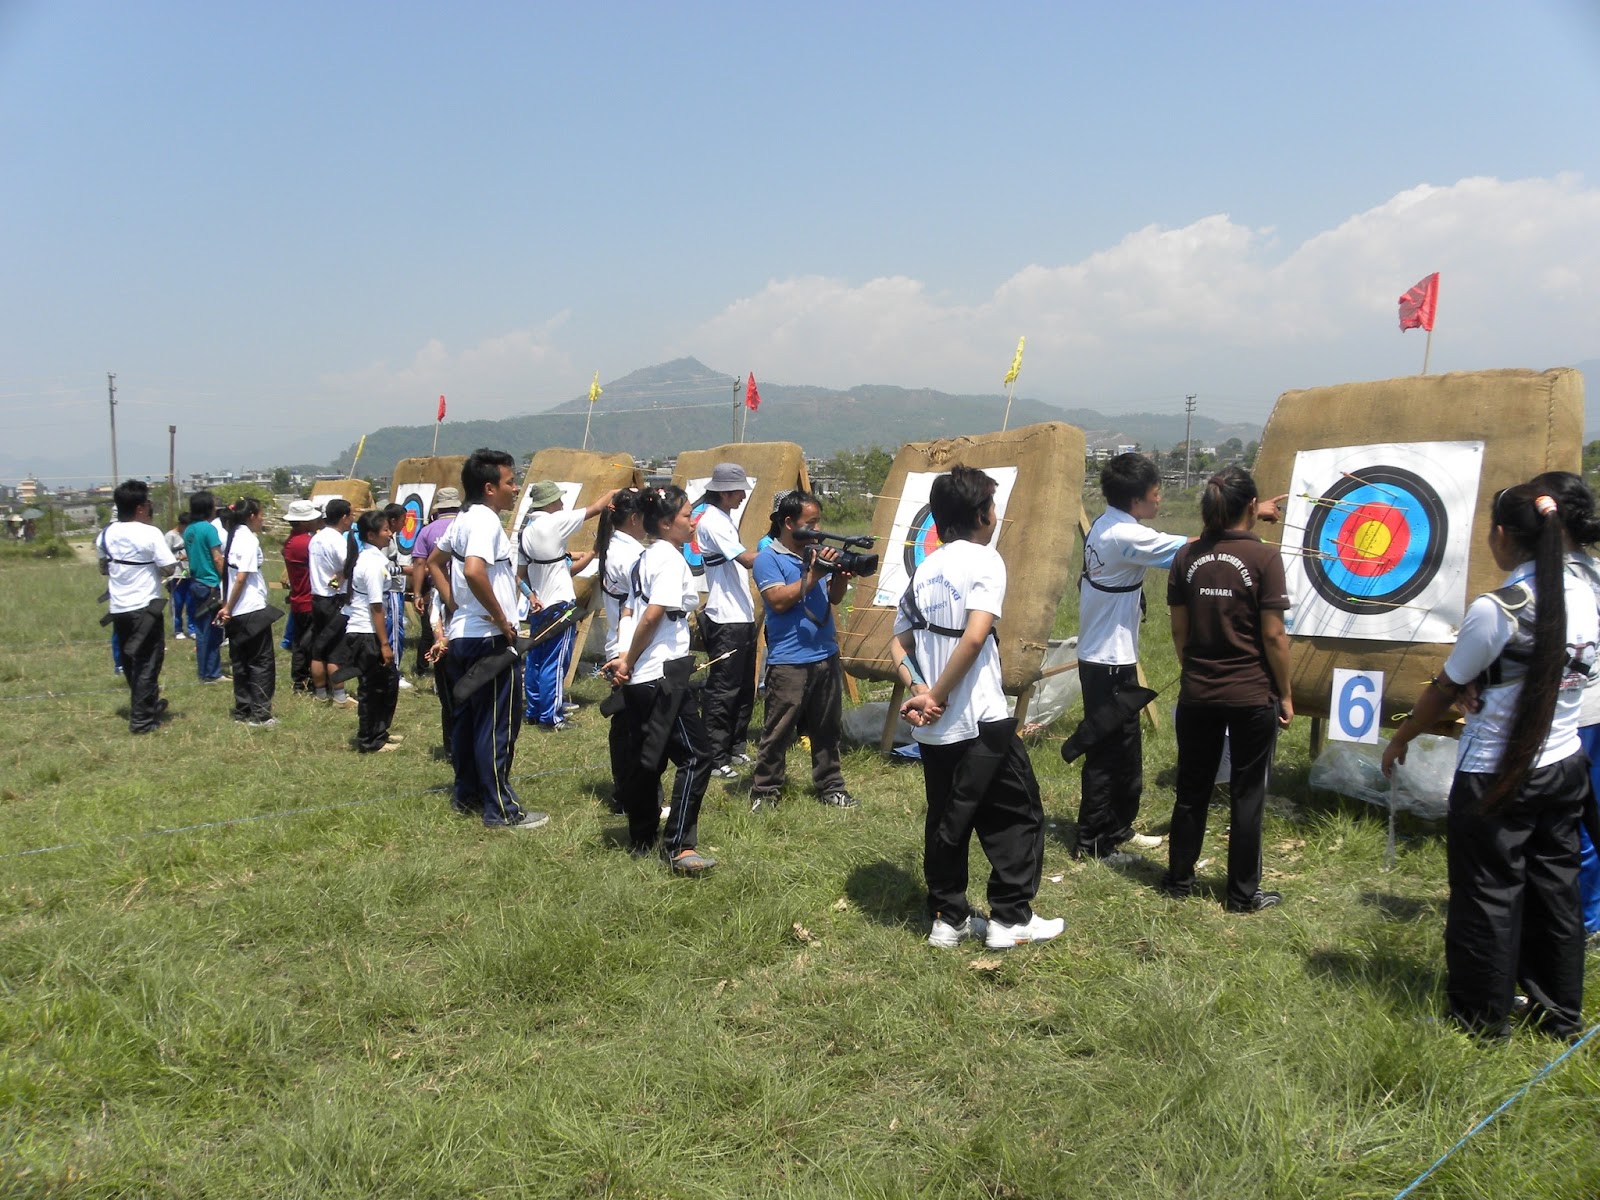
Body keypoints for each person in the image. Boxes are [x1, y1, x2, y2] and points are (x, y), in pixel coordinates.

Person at [1382, 484, 1596, 1040]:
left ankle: (1481, 1020)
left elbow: (1445, 687)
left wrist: (1401, 738)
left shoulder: (1499, 608)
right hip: (1565, 763)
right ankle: (1559, 1013)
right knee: (1556, 889)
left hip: (1496, 774)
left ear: (1502, 535)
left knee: (1487, 894)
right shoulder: (1590, 590)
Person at [889, 465, 1060, 950]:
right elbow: (976, 635)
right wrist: (935, 695)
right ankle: (1011, 919)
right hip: (981, 719)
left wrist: (920, 689)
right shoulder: (985, 560)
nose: (996, 514)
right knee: (1017, 814)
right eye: (993, 506)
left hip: (936, 728)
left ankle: (948, 919)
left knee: (947, 819)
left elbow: (898, 642)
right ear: (982, 515)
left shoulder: (925, 569)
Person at [1160, 467, 1293, 912]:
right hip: (1251, 693)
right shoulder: (1265, 559)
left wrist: (1195, 669)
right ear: (1252, 507)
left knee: (1191, 788)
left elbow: (1179, 630)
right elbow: (1274, 636)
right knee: (1247, 794)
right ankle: (1241, 894)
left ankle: (1179, 880)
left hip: (1197, 692)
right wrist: (1285, 693)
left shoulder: (1186, 556)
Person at [426, 449, 547, 830]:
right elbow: (474, 571)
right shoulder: (484, 521)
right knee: (495, 726)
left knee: (467, 723)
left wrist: (454, 604)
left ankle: (468, 795)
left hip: (464, 636)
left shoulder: (463, 519)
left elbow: (433, 562)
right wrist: (500, 618)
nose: (516, 488)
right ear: (490, 487)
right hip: (488, 638)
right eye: (511, 482)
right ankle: (502, 810)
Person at [602, 486, 716, 873]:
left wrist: (623, 659)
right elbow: (651, 615)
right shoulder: (667, 558)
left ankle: (642, 839)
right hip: (662, 675)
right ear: (666, 523)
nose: (693, 522)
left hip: (642, 676)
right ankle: (680, 846)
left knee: (647, 759)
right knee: (697, 757)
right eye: (686, 516)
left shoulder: (645, 557)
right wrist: (628, 660)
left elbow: (628, 613)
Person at [749, 489, 856, 811]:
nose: (817, 529)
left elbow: (834, 598)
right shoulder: (768, 558)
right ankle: (765, 791)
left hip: (825, 654)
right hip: (789, 661)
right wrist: (815, 574)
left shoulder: (815, 554)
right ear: (788, 523)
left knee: (827, 729)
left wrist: (839, 575)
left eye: (818, 522)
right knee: (778, 731)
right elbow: (778, 601)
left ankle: (831, 786)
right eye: (811, 523)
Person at [1530, 470, 1600, 943]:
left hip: (1573, 715)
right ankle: (1584, 915)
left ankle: (1579, 919)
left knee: (1568, 820)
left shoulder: (1549, 579)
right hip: (1587, 709)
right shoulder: (1592, 570)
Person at [519, 479, 618, 730]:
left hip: (539, 605)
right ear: (549, 503)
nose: (562, 504)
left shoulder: (526, 531)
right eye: (558, 500)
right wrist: (615, 491)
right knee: (555, 662)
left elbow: (521, 575)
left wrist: (530, 596)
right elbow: (596, 508)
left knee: (536, 660)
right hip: (560, 605)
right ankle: (552, 717)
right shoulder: (554, 522)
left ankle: (534, 710)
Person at [694, 462, 760, 779]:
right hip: (726, 618)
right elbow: (746, 559)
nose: (742, 497)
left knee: (744, 686)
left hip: (741, 614)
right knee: (724, 689)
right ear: (724, 493)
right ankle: (715, 755)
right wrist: (785, 551)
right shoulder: (711, 521)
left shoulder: (723, 518)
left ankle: (735, 746)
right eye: (738, 492)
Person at [97, 479, 178, 733]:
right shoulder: (149, 533)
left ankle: (148, 705)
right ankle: (142, 721)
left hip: (119, 608)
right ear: (141, 508)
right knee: (148, 661)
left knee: (131, 661)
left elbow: (103, 568)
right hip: (145, 607)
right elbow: (169, 568)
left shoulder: (105, 534)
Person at [594, 487, 647, 807]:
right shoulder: (628, 555)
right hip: (629, 648)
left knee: (627, 724)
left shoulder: (617, 547)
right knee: (632, 728)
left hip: (624, 645)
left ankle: (627, 793)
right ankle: (631, 796)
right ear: (635, 519)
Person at [342, 509, 400, 753]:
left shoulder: (372, 559)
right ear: (371, 535)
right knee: (373, 688)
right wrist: (384, 644)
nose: (390, 534)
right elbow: (376, 607)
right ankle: (370, 740)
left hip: (369, 632)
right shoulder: (372, 564)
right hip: (366, 633)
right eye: (385, 530)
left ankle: (380, 731)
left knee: (388, 683)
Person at [217, 497, 279, 727]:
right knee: (261, 663)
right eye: (261, 514)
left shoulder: (232, 537)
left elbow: (228, 575)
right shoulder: (249, 540)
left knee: (240, 662)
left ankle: (243, 710)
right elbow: (241, 577)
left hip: (236, 611)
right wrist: (228, 606)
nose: (262, 519)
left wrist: (227, 606)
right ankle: (261, 714)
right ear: (251, 516)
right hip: (250, 608)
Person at [409, 487, 461, 752]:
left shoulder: (427, 531)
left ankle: (452, 744)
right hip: (469, 595)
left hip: (438, 593)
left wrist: (418, 592)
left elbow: (420, 563)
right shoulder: (466, 526)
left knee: (433, 636)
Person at [308, 498, 356, 708]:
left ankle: (320, 693)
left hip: (318, 598)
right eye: (351, 515)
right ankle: (339, 696)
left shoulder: (316, 538)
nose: (352, 519)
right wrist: (341, 577)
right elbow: (350, 565)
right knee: (336, 649)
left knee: (319, 648)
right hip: (335, 599)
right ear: (344, 517)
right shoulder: (338, 540)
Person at [183, 491, 227, 684]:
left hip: (196, 582)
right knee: (213, 630)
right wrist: (227, 578)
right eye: (214, 505)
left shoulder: (189, 530)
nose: (216, 508)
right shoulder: (209, 529)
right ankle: (212, 673)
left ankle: (204, 671)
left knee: (201, 630)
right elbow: (217, 558)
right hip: (210, 584)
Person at [280, 498, 320, 694]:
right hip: (309, 599)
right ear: (305, 522)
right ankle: (305, 681)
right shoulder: (307, 543)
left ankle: (301, 681)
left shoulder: (292, 540)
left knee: (300, 642)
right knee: (308, 644)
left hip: (299, 598)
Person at [381, 502, 412, 690]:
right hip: (391, 590)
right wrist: (404, 570)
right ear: (393, 521)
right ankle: (393, 673)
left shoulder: (389, 538)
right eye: (402, 520)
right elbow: (382, 569)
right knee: (394, 633)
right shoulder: (385, 540)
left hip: (395, 590)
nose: (405, 524)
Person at [166, 513, 194, 640]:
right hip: (177, 575)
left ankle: (192, 629)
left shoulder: (189, 535)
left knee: (191, 602)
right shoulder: (170, 536)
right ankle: (178, 629)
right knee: (177, 603)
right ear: (181, 524)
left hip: (189, 573)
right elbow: (164, 555)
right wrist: (178, 557)